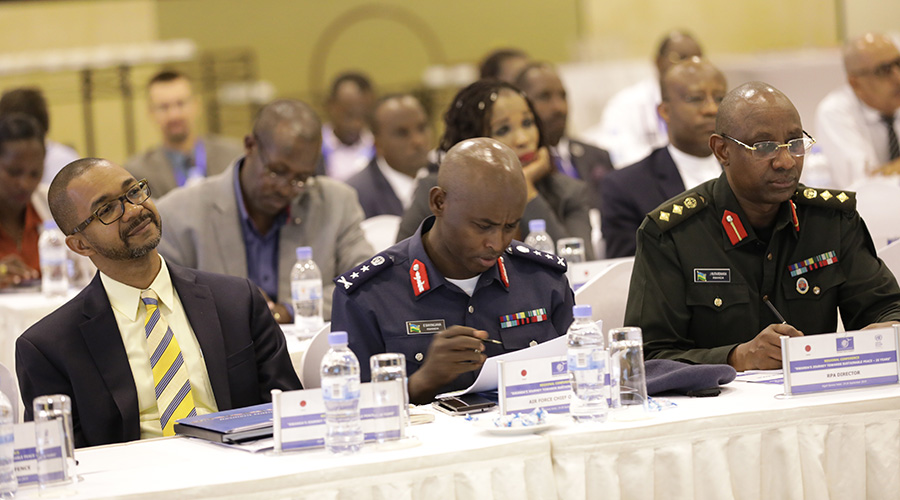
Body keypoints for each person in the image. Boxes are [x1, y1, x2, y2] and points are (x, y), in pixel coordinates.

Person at [16, 158, 301, 448]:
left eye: (133, 192)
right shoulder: (49, 348)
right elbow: (63, 461)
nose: (134, 210)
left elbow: (289, 413)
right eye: (107, 210)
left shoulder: (237, 301)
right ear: (80, 245)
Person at [625, 81, 900, 371]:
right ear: (722, 151)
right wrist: (736, 357)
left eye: (795, 143)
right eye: (764, 147)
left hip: (817, 399)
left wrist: (883, 330)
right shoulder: (672, 235)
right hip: (718, 410)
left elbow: (885, 308)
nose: (785, 161)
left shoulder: (830, 221)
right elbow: (644, 358)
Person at [332, 138, 575, 404]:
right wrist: (421, 382)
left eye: (509, 227)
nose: (496, 243)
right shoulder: (369, 295)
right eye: (483, 226)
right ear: (438, 202)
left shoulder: (542, 280)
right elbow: (349, 411)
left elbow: (579, 380)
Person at [156, 99, 373, 323]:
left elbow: (366, 284)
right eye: (276, 171)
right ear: (250, 145)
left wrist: (286, 312)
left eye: (301, 178)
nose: (285, 188)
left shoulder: (336, 203)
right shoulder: (178, 215)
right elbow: (163, 304)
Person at [397, 80, 594, 258]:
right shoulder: (439, 191)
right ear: (472, 139)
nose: (523, 139)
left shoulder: (568, 192)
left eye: (527, 123)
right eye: (503, 130)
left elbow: (580, 268)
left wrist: (525, 188)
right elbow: (400, 264)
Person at [601, 58, 726, 257]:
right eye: (696, 98)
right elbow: (626, 275)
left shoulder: (749, 171)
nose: (711, 109)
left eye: (720, 98)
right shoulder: (626, 187)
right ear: (664, 111)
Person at [581, 30, 703, 168]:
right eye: (681, 58)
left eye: (698, 59)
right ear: (658, 62)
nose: (691, 68)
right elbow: (621, 158)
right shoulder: (626, 104)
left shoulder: (709, 105)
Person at [124, 70, 243, 197]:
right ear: (151, 112)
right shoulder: (139, 174)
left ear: (196, 105)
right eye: (164, 107)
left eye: (181, 104)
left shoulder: (234, 157)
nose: (174, 115)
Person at [514, 62, 614, 210]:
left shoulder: (597, 156)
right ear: (521, 104)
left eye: (563, 96)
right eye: (544, 97)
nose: (559, 107)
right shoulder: (519, 166)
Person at [815, 33, 900, 188]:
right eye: (884, 70)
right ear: (856, 83)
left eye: (899, 63)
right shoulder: (835, 112)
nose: (898, 77)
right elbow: (863, 184)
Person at [345, 94, 431, 219]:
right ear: (378, 143)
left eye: (422, 128)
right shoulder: (356, 196)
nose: (418, 141)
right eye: (402, 133)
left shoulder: (448, 180)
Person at [0, 87, 79, 187]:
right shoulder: (66, 158)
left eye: (34, 174)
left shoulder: (65, 161)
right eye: (14, 172)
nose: (25, 185)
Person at [318, 72, 376, 181]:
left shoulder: (378, 147)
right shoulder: (314, 145)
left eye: (363, 116)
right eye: (349, 115)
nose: (356, 124)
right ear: (330, 105)